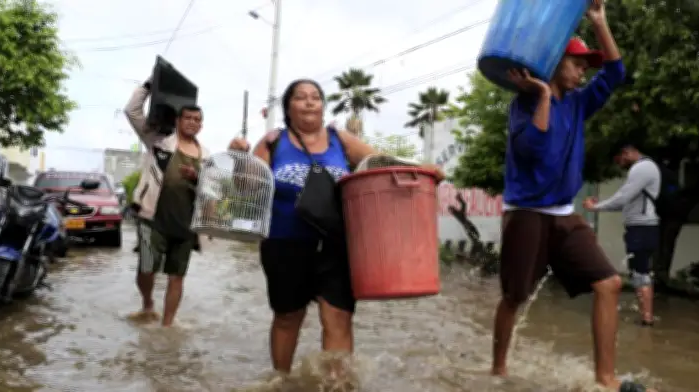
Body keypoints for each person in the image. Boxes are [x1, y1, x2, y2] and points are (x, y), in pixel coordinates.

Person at [227, 79, 443, 374]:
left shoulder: (340, 140)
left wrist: (420, 170)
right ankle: (281, 381)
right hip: (285, 244)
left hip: (337, 245)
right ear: (288, 107)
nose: (309, 102)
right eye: (301, 97)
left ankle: (336, 384)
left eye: (315, 97)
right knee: (288, 317)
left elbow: (379, 163)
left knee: (338, 317)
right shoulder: (273, 142)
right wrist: (240, 160)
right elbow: (246, 188)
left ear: (323, 106)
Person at [492, 1, 654, 391]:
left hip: (564, 214)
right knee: (515, 296)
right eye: (577, 63)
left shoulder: (581, 103)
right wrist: (544, 95)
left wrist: (599, 21)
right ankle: (497, 370)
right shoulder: (524, 104)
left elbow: (616, 72)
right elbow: (533, 149)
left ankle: (606, 379)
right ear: (554, 61)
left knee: (609, 283)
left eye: (585, 66)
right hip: (526, 213)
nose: (583, 71)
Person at [124, 76, 210, 327]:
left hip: (185, 225)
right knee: (146, 268)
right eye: (188, 118)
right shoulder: (158, 141)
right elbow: (132, 111)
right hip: (153, 218)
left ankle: (167, 325)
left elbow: (212, 192)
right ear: (177, 120)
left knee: (177, 277)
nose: (193, 123)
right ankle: (148, 304)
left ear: (201, 125)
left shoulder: (206, 157)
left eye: (197, 120)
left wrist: (199, 177)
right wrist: (149, 86)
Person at [583, 143, 660, 326]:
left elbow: (622, 198)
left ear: (627, 152)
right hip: (641, 227)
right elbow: (626, 198)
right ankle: (645, 316)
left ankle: (647, 318)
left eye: (620, 160)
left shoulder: (642, 168)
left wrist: (595, 208)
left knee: (640, 272)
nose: (620, 165)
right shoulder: (645, 168)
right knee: (639, 272)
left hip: (642, 228)